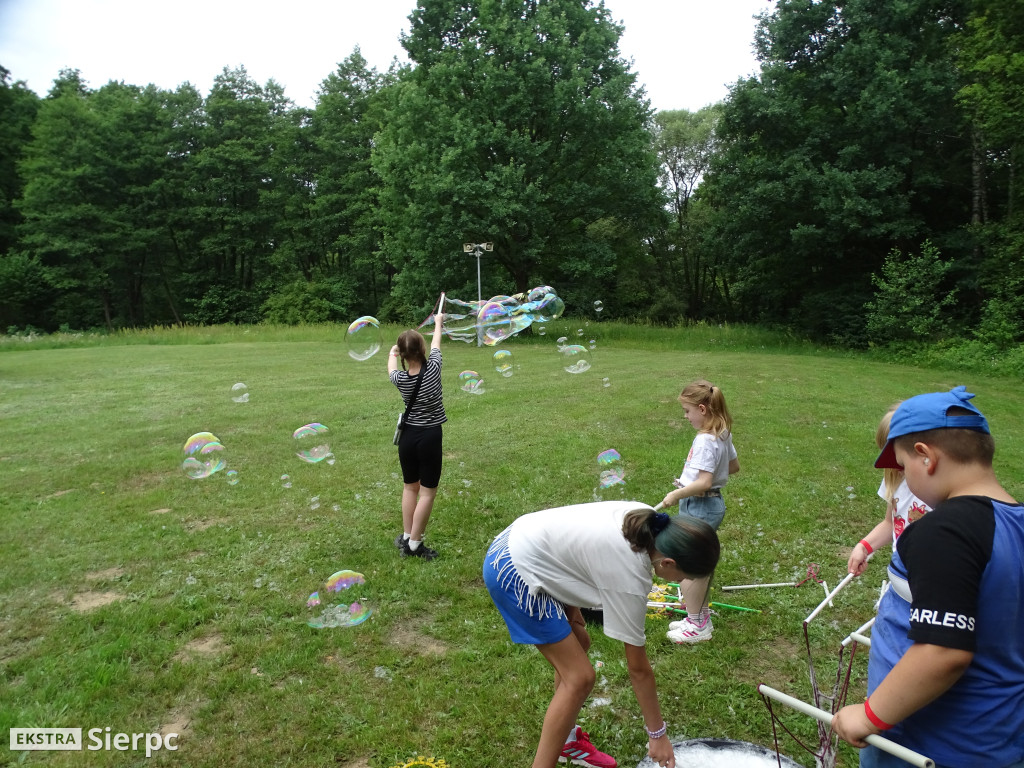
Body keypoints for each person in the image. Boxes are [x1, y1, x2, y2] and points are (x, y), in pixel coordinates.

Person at [832, 386, 1024, 768]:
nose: (902, 479)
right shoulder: (1015, 522)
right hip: (999, 737)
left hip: (929, 742)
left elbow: (944, 651)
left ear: (925, 457)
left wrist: (870, 717)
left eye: (902, 467)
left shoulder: (943, 531)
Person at [483, 500, 720, 768]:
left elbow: (579, 548)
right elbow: (638, 668)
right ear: (668, 562)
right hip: (514, 570)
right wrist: (657, 735)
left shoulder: (648, 521)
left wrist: (571, 609)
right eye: (681, 577)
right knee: (580, 678)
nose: (677, 583)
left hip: (525, 539)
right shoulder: (631, 574)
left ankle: (567, 741)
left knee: (580, 642)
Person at [659, 379, 739, 644]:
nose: (686, 416)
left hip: (700, 504)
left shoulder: (705, 439)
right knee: (696, 562)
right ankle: (698, 616)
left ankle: (698, 624)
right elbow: (733, 467)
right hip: (708, 502)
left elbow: (704, 482)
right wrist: (690, 482)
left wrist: (678, 493)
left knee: (688, 565)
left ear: (703, 409)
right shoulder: (722, 432)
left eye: (687, 411)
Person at [388, 294, 447, 560]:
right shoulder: (433, 368)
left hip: (408, 437)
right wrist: (438, 323)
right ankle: (415, 544)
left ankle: (405, 536)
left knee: (410, 487)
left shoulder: (400, 379)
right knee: (427, 492)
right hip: (430, 437)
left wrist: (393, 352)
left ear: (402, 354)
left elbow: (391, 368)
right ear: (422, 351)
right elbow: (436, 343)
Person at [847, 404, 931, 578]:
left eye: (897, 459)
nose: (892, 465)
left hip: (929, 578)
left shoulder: (938, 490)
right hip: (900, 572)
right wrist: (864, 546)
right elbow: (891, 522)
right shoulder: (895, 479)